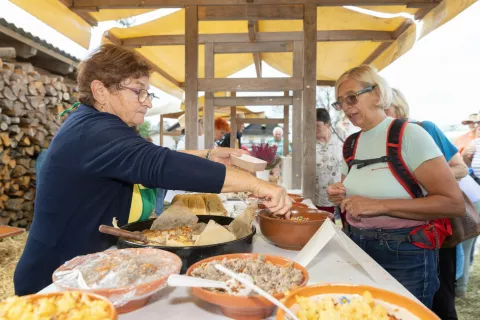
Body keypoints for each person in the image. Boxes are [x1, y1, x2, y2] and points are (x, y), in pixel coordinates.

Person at [14, 44, 292, 296]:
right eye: (139, 91)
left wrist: (208, 155)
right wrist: (257, 185)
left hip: (80, 270)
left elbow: (153, 156)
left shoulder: (95, 125)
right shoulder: (96, 131)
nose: (147, 101)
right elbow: (160, 164)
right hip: (51, 282)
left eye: (148, 92)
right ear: (101, 91)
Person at [326, 65, 464, 309]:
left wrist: (377, 206)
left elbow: (452, 203)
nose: (346, 107)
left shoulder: (410, 135)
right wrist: (340, 195)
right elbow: (353, 191)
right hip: (357, 245)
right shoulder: (351, 143)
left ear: (378, 94)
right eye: (340, 103)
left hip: (405, 253)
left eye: (351, 98)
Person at [386, 87, 468, 319]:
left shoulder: (425, 129)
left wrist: (424, 179)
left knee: (441, 300)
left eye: (384, 107)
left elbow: (461, 168)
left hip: (438, 229)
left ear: (398, 107)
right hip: (404, 235)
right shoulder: (377, 141)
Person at [314, 108, 343, 216]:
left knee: (344, 227)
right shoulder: (309, 143)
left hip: (341, 194)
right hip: (319, 196)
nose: (315, 129)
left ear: (327, 123)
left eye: (317, 125)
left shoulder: (340, 136)